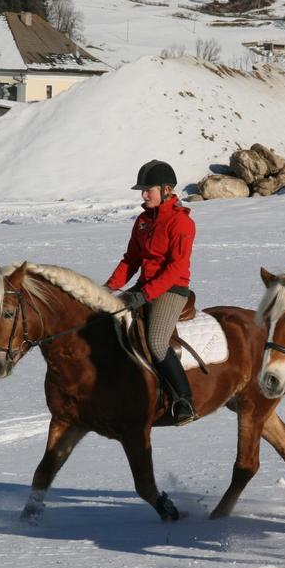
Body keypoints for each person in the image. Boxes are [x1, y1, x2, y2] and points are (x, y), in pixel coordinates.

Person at [107, 160, 198, 426]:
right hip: (145, 287)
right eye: (142, 190)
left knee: (157, 342)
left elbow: (175, 268)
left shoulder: (181, 223)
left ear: (167, 189)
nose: (144, 195)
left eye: (148, 189)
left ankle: (184, 400)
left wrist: (143, 294)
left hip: (171, 289)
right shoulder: (143, 221)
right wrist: (108, 288)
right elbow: (131, 260)